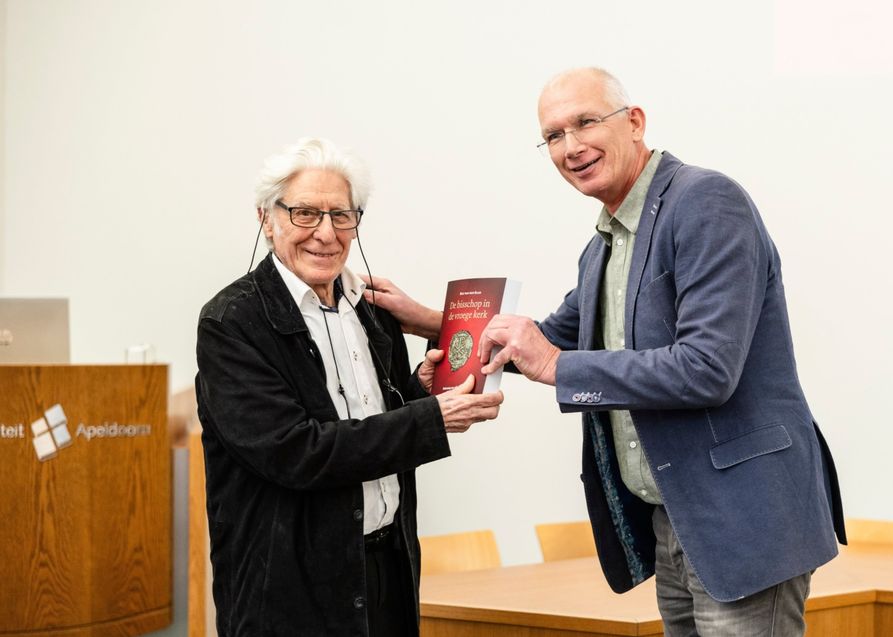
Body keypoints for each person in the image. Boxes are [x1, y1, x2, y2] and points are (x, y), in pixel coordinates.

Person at [366, 68, 846, 636]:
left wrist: (554, 365)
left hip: (742, 518)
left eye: (585, 122)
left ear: (635, 122)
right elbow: (549, 337)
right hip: (673, 518)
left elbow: (707, 369)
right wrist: (429, 320)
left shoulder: (706, 202)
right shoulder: (604, 245)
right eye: (553, 136)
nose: (570, 147)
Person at [195, 137, 503, 637]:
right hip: (290, 591)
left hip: (387, 569)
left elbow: (374, 427)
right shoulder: (232, 322)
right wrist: (429, 418)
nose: (326, 233)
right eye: (304, 214)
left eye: (342, 215)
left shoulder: (372, 310)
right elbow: (295, 451)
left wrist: (420, 395)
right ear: (266, 219)